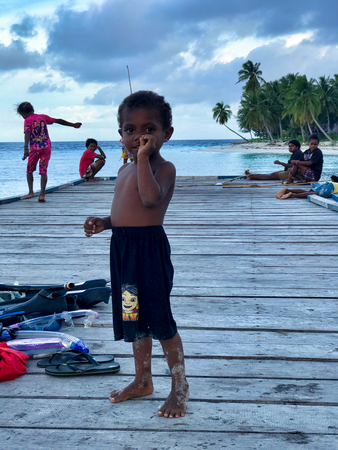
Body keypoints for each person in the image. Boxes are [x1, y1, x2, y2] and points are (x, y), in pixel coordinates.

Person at [83, 91, 189, 419]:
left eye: (149, 129)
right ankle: (142, 379)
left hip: (150, 253)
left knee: (160, 321)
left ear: (166, 134)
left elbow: (149, 201)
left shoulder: (164, 168)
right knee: (133, 316)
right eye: (130, 130)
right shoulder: (125, 172)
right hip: (124, 250)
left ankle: (179, 388)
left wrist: (142, 159)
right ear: (120, 136)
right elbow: (127, 214)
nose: (138, 137)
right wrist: (106, 222)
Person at [17, 102, 82, 202]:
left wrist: (26, 148)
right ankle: (42, 195)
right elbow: (58, 120)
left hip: (35, 148)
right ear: (32, 110)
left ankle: (31, 192)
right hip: (47, 147)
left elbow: (27, 133)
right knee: (43, 170)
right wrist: (72, 125)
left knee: (29, 170)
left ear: (23, 113)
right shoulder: (43, 117)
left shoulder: (27, 120)